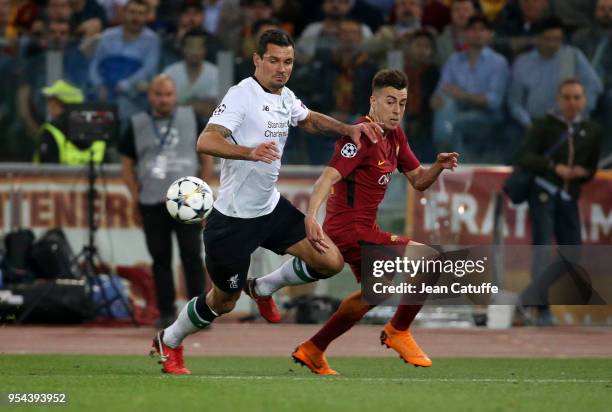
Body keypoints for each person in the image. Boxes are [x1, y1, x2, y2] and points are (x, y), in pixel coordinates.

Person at [150, 29, 383, 374]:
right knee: (224, 301)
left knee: (330, 261)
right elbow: (206, 140)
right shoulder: (241, 95)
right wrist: (249, 152)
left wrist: (347, 130)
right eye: (273, 60)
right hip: (231, 221)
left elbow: (308, 119)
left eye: (287, 61)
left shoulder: (285, 96)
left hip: (269, 209)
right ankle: (169, 340)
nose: (281, 68)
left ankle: (264, 286)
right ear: (257, 60)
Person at [266, 68, 457, 375]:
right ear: (373, 101)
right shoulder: (360, 135)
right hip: (348, 231)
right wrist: (312, 217)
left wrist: (437, 166)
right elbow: (326, 178)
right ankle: (398, 330)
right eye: (390, 102)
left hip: (366, 229)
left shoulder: (395, 136)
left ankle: (313, 349)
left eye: (403, 103)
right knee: (430, 261)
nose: (396, 110)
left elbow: (419, 181)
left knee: (374, 294)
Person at [119, 75, 213, 329]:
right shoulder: (136, 124)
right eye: (158, 94)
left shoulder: (192, 119)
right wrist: (135, 198)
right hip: (151, 201)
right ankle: (165, 313)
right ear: (150, 96)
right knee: (160, 259)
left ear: (176, 95)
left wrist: (203, 194)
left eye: (168, 94)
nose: (164, 99)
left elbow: (206, 157)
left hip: (187, 200)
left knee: (192, 256)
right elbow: (127, 165)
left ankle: (199, 313)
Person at [517, 78, 602, 326]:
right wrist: (555, 167)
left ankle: (528, 297)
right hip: (544, 191)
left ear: (584, 100)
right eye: (567, 97)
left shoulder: (592, 130)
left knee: (572, 252)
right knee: (542, 248)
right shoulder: (544, 126)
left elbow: (591, 166)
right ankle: (541, 308)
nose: (572, 102)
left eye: (577, 97)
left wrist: (581, 173)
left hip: (569, 196)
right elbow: (525, 157)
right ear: (558, 99)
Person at [430, 15, 509, 162]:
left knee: (452, 123)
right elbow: (442, 90)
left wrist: (463, 96)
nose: (477, 34)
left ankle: (451, 164)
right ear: (465, 34)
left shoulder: (498, 62)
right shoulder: (454, 59)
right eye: (473, 29)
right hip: (457, 111)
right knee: (445, 106)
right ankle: (453, 164)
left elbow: (494, 102)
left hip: (488, 117)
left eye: (482, 30)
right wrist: (436, 99)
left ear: (490, 34)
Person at [508, 18, 602, 131]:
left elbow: (594, 85)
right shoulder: (522, 63)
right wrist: (528, 124)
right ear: (537, 38)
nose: (552, 44)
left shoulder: (571, 56)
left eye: (557, 39)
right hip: (533, 124)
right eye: (547, 39)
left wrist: (581, 111)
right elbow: (515, 103)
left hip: (569, 123)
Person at [89, 0, 160, 121]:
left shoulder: (152, 40)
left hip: (134, 98)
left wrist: (124, 86)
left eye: (140, 13)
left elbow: (148, 70)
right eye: (132, 12)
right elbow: (94, 65)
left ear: (146, 16)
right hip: (103, 94)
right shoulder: (107, 36)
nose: (135, 17)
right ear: (124, 13)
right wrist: (98, 85)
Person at [35, 79, 107, 165]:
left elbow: (45, 169)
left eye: (53, 101)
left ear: (63, 105)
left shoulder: (51, 131)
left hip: (58, 178)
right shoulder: (99, 131)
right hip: (95, 178)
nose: (49, 105)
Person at [162, 28, 219, 120]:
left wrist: (181, 106)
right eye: (191, 47)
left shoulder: (215, 73)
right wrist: (198, 106)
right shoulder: (170, 72)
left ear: (205, 50)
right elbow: (165, 107)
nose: (195, 52)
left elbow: (214, 110)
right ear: (183, 48)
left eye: (199, 47)